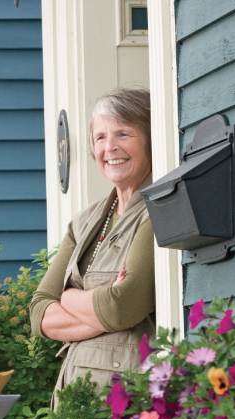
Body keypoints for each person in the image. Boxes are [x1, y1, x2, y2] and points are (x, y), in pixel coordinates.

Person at [29, 88, 156, 401]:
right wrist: (100, 309)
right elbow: (40, 312)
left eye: (123, 134)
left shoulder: (158, 211)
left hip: (127, 402)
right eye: (100, 137)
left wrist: (68, 296)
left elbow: (121, 306)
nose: (110, 147)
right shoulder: (86, 221)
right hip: (74, 402)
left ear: (151, 139)